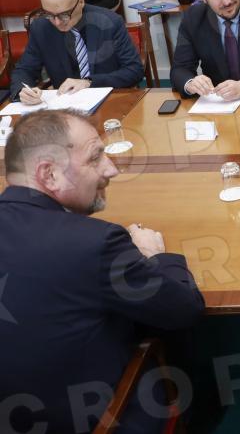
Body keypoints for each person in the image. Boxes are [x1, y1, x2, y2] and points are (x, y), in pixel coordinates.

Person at [0, 109, 205, 433]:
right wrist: (158, 257)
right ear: (49, 175)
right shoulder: (95, 243)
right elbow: (185, 309)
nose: (111, 168)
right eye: (95, 158)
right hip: (104, 419)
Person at [10, 0, 143, 104]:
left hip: (110, 101)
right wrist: (23, 90)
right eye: (49, 14)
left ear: (81, 2)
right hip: (64, 105)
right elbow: (24, 69)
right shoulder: (41, 28)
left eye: (64, 15)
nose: (57, 22)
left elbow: (134, 70)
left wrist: (89, 82)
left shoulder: (110, 22)